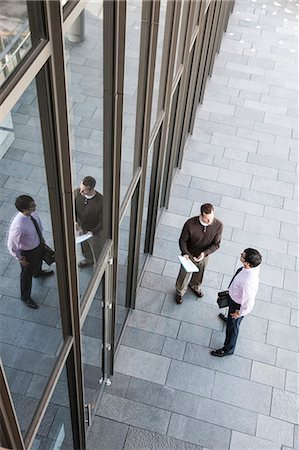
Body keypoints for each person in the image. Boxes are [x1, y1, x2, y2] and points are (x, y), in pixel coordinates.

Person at [211, 248, 262, 357]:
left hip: (237, 304)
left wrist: (240, 313)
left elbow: (249, 300)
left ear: (248, 263)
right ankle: (229, 319)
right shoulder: (250, 268)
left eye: (243, 255)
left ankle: (228, 349)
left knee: (233, 327)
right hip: (234, 298)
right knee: (231, 319)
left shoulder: (249, 281)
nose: (240, 254)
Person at [7, 195, 54, 309]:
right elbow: (12, 243)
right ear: (24, 210)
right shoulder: (18, 225)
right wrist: (20, 258)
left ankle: (37, 273)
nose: (35, 206)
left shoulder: (32, 214)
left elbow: (38, 226)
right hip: (28, 252)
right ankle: (25, 297)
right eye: (32, 206)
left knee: (38, 262)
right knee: (26, 274)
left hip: (38, 244)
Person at [175, 203, 223, 304]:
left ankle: (195, 286)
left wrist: (204, 253)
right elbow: (182, 240)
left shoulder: (218, 225)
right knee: (184, 275)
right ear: (201, 215)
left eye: (211, 217)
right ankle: (180, 292)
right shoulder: (190, 224)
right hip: (189, 254)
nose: (210, 221)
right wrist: (185, 253)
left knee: (200, 272)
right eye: (207, 218)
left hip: (204, 255)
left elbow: (216, 245)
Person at [74, 176, 103, 267]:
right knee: (84, 245)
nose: (80, 192)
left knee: (96, 249)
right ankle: (88, 259)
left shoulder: (101, 202)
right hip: (82, 227)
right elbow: (73, 208)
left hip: (94, 231)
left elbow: (103, 221)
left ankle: (98, 265)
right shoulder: (77, 194)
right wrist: (75, 221)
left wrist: (93, 232)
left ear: (91, 189)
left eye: (84, 190)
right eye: (81, 188)